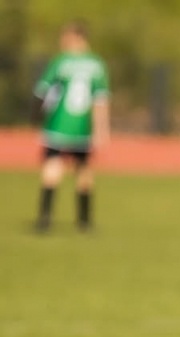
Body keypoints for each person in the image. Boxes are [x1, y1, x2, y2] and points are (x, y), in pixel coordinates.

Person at [32, 20, 109, 233]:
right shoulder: (97, 64)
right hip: (83, 126)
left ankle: (45, 219)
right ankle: (84, 221)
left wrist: (36, 118)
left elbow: (41, 91)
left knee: (52, 166)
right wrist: (102, 130)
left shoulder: (61, 62)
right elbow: (100, 100)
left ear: (76, 37)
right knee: (83, 168)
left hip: (58, 123)